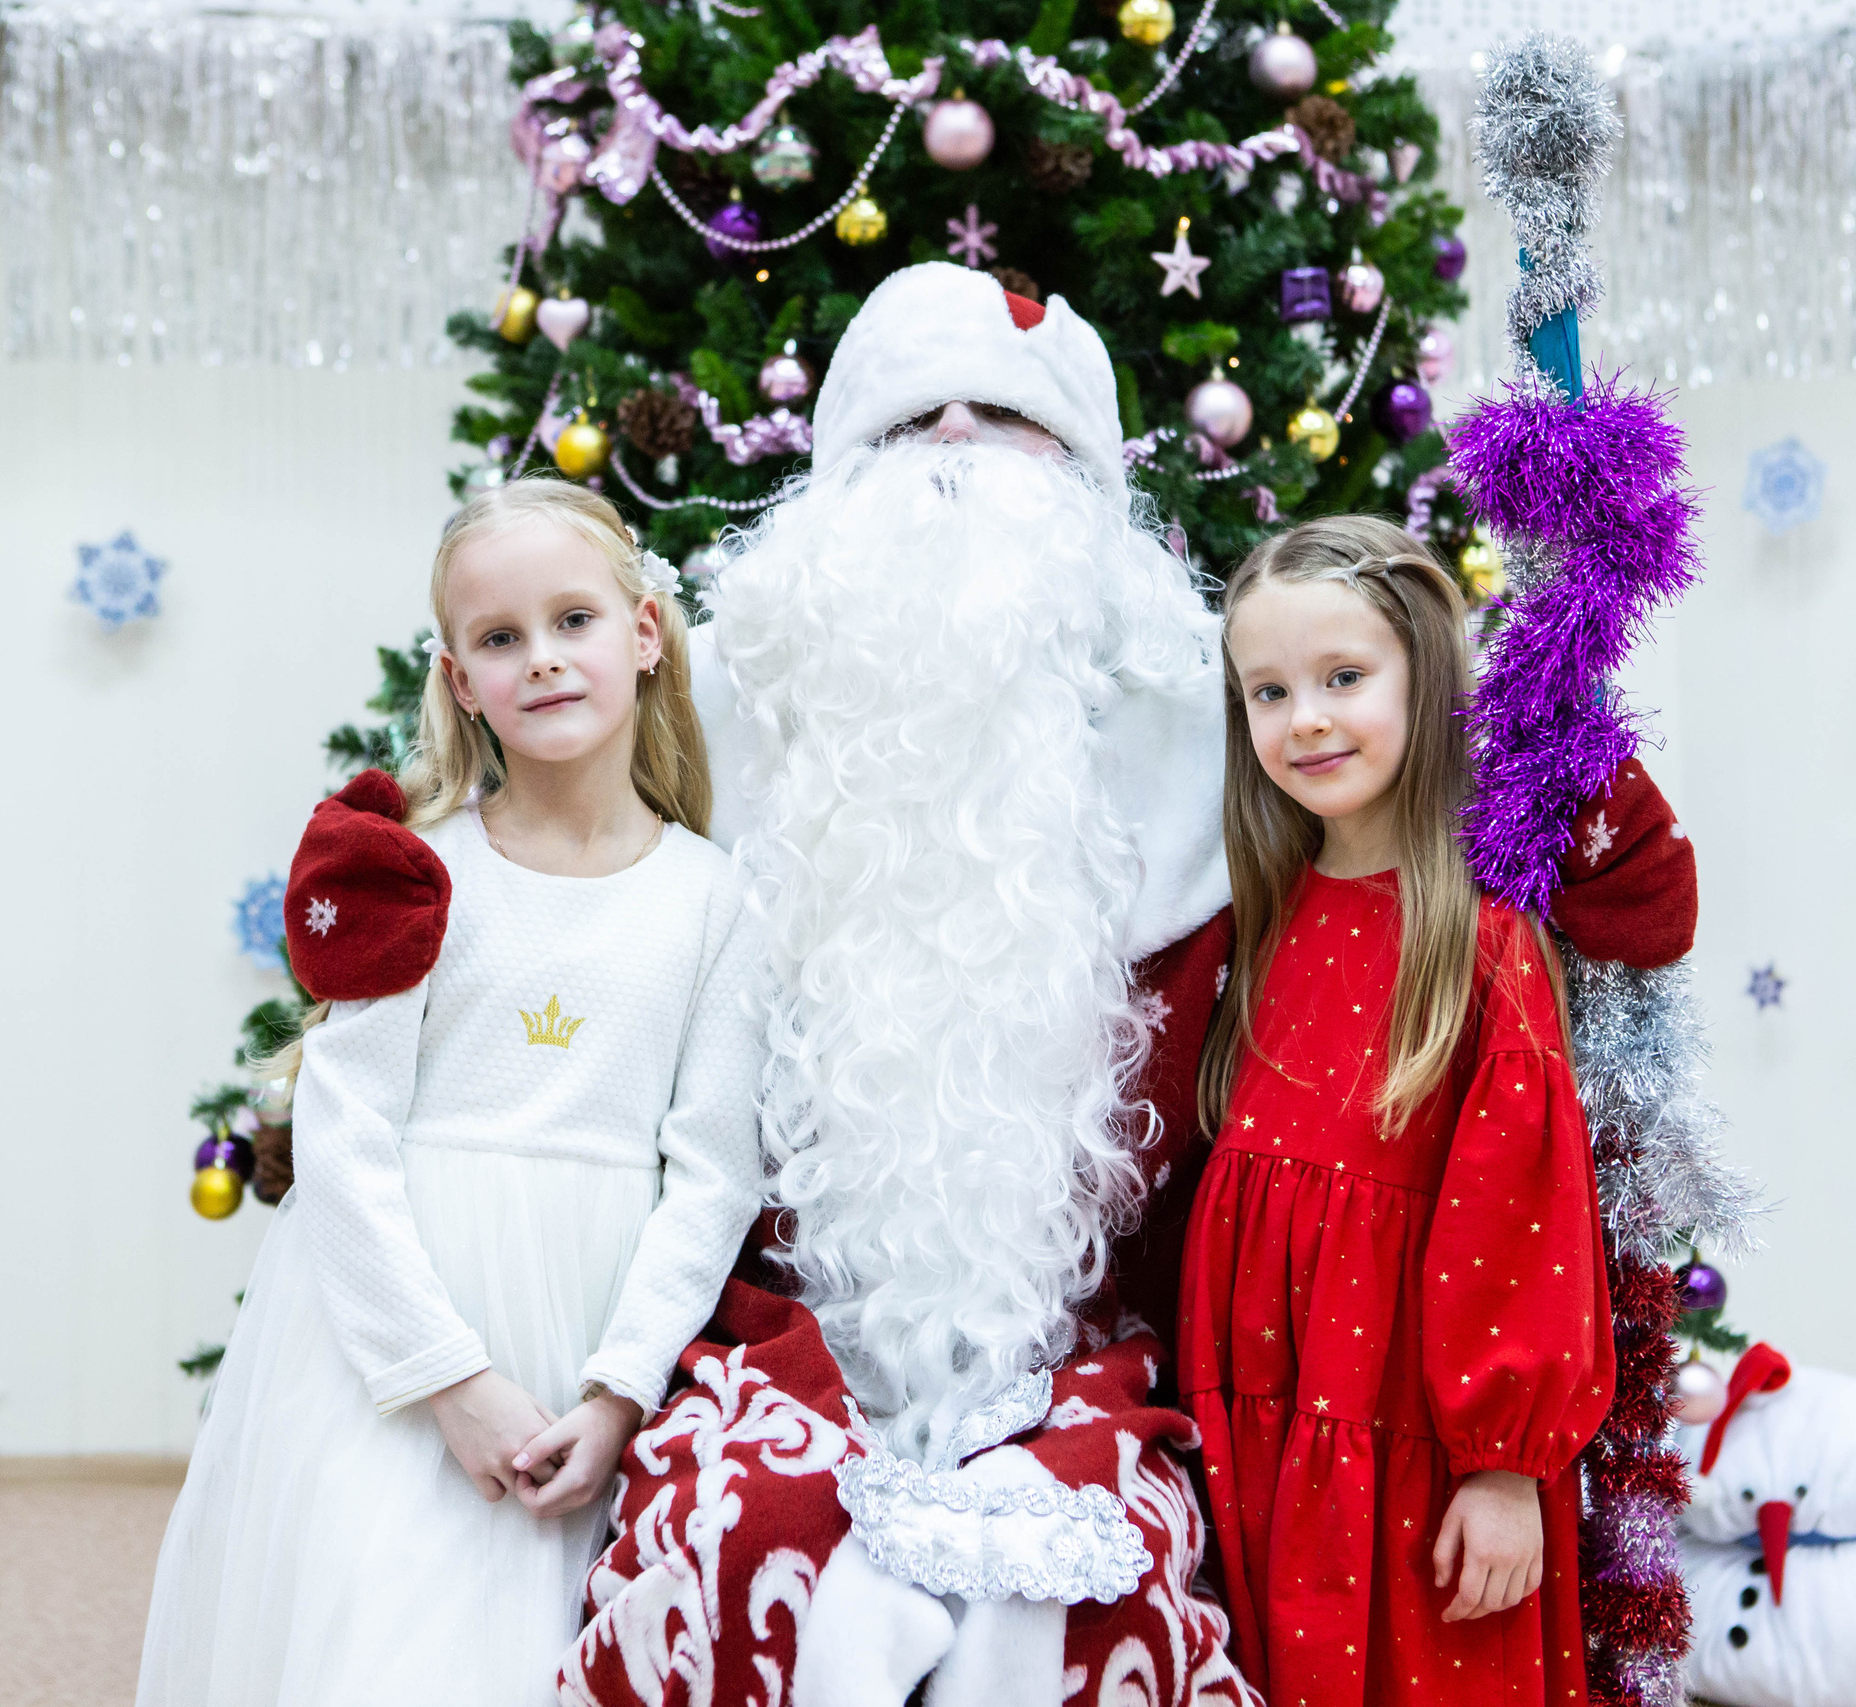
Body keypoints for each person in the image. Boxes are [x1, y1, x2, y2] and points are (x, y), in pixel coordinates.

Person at [559, 263, 1250, 1707]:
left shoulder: (1207, 762)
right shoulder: (722, 740)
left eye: (1004, 414)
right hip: (776, 1334)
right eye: (906, 418)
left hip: (1083, 1354)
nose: (950, 443)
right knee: (735, 1540)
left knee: (1081, 1606)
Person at [138, 481, 768, 1707]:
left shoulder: (716, 902)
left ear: (643, 634)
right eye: (499, 638)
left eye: (572, 619)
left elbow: (713, 1173)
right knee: (388, 1646)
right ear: (459, 676)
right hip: (394, 1341)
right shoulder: (414, 876)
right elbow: (344, 1135)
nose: (540, 659)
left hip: (585, 1335)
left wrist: (621, 1389)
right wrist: (444, 1376)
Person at [1179, 516, 1614, 1707]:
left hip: (1413, 1445)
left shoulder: (1478, 935)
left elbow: (1522, 1216)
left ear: (1424, 673)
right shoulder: (1262, 913)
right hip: (1263, 1426)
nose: (1304, 718)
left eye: (1343, 678)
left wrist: (1506, 1470)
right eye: (1267, 692)